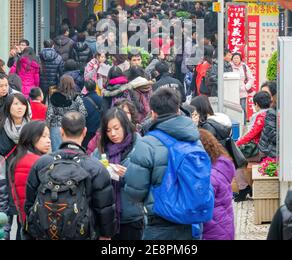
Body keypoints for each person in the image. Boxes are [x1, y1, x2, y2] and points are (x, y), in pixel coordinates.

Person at [124, 88, 214, 241]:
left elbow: (135, 192)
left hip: (160, 223)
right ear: (178, 109)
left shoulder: (147, 144)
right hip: (191, 223)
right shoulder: (195, 140)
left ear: (153, 113)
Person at [24, 111, 116, 240]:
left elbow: (29, 203)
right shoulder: (96, 168)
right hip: (82, 234)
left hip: (45, 233)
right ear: (84, 131)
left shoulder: (42, 163)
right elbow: (104, 210)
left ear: (61, 131)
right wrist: (106, 234)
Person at [93, 108, 144, 240]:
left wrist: (127, 175)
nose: (113, 134)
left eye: (116, 128)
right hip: (107, 218)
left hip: (132, 216)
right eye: (108, 130)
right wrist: (104, 171)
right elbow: (89, 170)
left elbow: (146, 180)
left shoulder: (139, 146)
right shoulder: (101, 148)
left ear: (125, 125)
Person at [0, 93, 31, 240]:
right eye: (16, 104)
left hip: (25, 179)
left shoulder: (32, 128)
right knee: (4, 220)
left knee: (24, 223)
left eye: (23, 104)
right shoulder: (1, 126)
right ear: (8, 106)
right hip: (5, 179)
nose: (20, 107)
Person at [9, 122, 51, 226]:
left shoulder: (18, 159)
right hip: (38, 223)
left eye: (49, 136)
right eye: (43, 136)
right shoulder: (35, 162)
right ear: (31, 137)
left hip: (27, 221)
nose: (48, 141)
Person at [235, 91, 272, 203]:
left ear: (256, 104)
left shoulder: (260, 116)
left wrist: (237, 143)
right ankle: (246, 188)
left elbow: (251, 134)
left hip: (261, 150)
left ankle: (243, 188)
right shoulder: (273, 113)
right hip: (268, 148)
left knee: (235, 158)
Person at [200, 129, 235, 241]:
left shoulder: (211, 176)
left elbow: (201, 203)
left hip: (212, 230)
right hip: (223, 225)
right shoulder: (220, 165)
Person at [46, 76, 87, 152]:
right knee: (72, 151)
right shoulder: (76, 97)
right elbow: (83, 112)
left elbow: (49, 114)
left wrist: (47, 127)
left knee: (57, 152)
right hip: (72, 126)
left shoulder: (54, 96)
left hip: (56, 126)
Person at [231, 53, 254, 125]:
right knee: (233, 108)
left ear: (240, 59)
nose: (236, 60)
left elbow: (251, 78)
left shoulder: (244, 66)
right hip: (232, 91)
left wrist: (246, 87)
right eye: (234, 58)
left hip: (242, 92)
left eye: (237, 58)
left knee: (242, 108)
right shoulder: (229, 66)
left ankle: (243, 124)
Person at [82, 80, 103, 149]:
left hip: (87, 130)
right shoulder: (101, 99)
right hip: (98, 129)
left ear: (86, 88)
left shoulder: (83, 101)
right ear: (95, 87)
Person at [259, 82, 277, 158]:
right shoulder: (269, 111)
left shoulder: (272, 111)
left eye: (266, 94)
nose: (264, 96)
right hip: (267, 152)